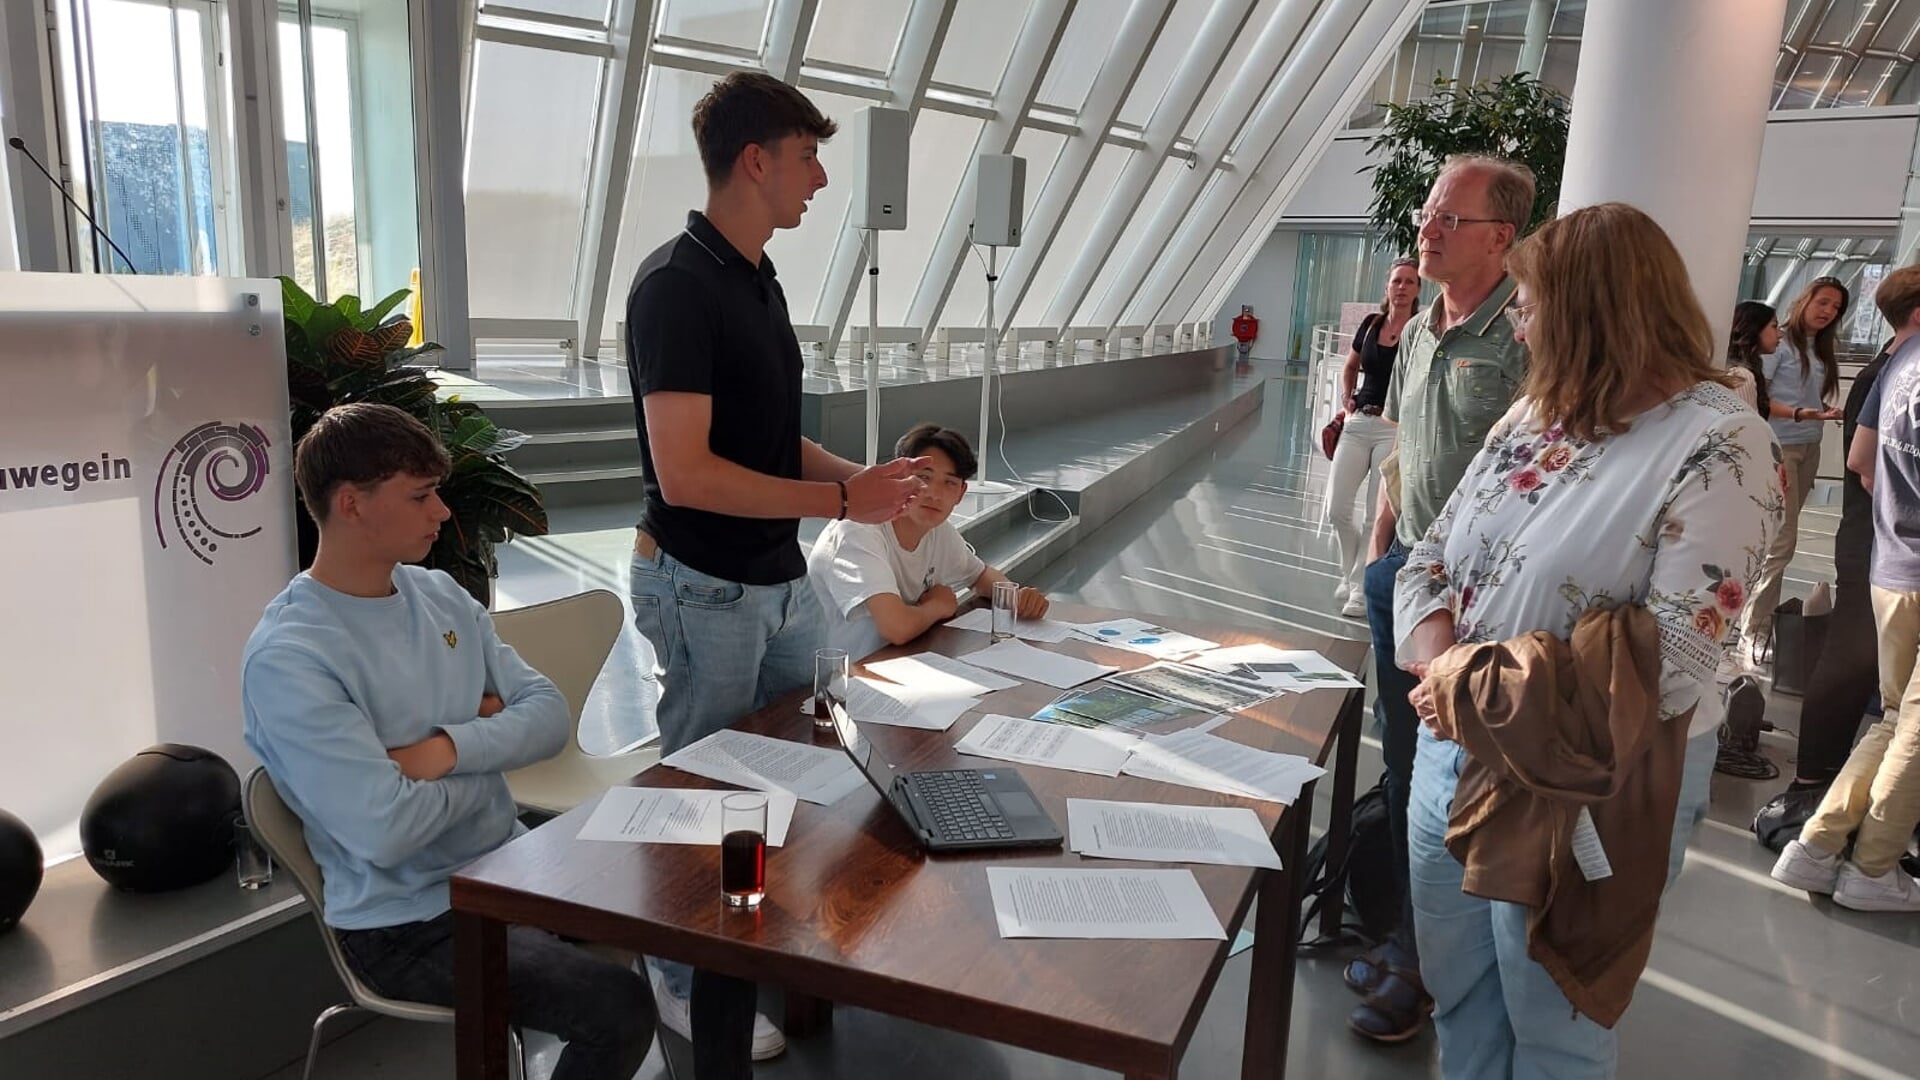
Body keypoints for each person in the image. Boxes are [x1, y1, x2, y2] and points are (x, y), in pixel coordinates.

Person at [1395, 203, 1780, 1079]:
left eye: (1530, 307)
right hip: (1451, 745)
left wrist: (1462, 684)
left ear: (1593, 312)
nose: (1519, 327)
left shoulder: (1721, 443)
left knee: (1555, 1017)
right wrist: (1442, 669)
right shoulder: (1536, 416)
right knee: (1459, 989)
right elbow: (1427, 559)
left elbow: (1672, 664)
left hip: (1587, 781)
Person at [621, 71, 926, 1063]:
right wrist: (842, 504)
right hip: (703, 584)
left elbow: (770, 440)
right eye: (806, 157)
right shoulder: (675, 286)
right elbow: (690, 473)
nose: (823, 178)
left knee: (781, 780)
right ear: (755, 161)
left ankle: (745, 942)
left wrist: (860, 481)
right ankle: (675, 971)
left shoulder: (758, 277)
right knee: (702, 790)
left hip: (774, 582)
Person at [241, 403, 672, 1080]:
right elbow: (385, 832)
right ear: (352, 505)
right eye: (419, 496)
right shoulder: (292, 657)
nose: (442, 512)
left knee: (684, 905)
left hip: (506, 864)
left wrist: (441, 752)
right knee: (615, 1007)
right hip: (407, 922)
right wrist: (490, 745)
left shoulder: (439, 595)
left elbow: (549, 716)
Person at [1348, 154, 1535, 1043]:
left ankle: (1438, 965)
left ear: (1501, 238)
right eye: (1427, 213)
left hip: (1484, 607)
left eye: (1448, 219)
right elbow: (1407, 446)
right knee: (1406, 767)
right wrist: (1382, 553)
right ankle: (1410, 939)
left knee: (1459, 781)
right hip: (1407, 578)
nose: (1426, 227)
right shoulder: (1422, 324)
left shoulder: (1527, 342)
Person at [1771, 265, 1920, 912]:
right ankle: (1871, 866)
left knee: (1895, 717)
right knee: (1909, 726)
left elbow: (1861, 461)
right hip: (1907, 561)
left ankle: (1819, 841)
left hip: (1891, 561)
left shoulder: (1896, 366)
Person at [810, 423, 1049, 659]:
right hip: (839, 681)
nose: (934, 494)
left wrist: (1017, 598)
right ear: (898, 477)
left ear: (961, 493)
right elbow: (897, 628)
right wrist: (938, 606)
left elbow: (980, 575)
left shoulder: (938, 531)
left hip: (900, 662)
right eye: (924, 478)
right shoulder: (857, 532)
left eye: (949, 483)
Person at [1745, 277, 1849, 663]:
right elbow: (1759, 396)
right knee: (1781, 542)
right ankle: (1753, 630)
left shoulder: (1819, 348)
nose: (1827, 312)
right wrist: (1802, 413)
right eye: (1822, 302)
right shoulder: (1779, 341)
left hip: (1810, 444)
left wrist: (1816, 415)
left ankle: (1758, 624)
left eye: (1836, 307)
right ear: (1804, 300)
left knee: (1783, 539)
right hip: (1781, 446)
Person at [1326, 258, 1418, 619]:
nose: (1402, 287)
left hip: (1392, 427)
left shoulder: (1419, 329)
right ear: (1387, 287)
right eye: (1397, 281)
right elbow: (1350, 366)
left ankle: (1359, 589)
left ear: (1417, 290)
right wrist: (1347, 400)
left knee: (1373, 515)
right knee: (1336, 508)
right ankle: (1348, 574)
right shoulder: (1371, 324)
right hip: (1358, 421)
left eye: (1410, 282)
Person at [1725, 300, 1779, 416]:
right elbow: (1744, 427)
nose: (1780, 334)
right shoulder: (1741, 376)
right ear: (1754, 328)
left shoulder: (1741, 369)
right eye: (1774, 326)